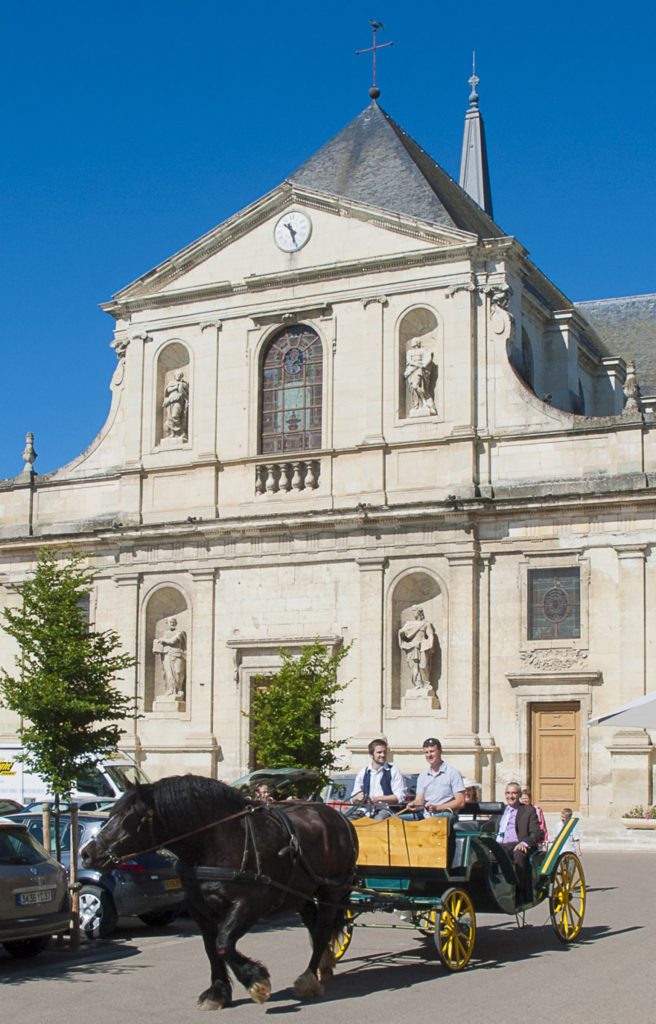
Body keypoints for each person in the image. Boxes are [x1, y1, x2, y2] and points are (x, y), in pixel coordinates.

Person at [496, 782, 541, 899]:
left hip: (518, 844)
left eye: (514, 793)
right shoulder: (500, 811)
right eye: (508, 793)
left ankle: (520, 891)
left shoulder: (528, 811)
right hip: (499, 844)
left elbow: (537, 833)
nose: (510, 796)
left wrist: (524, 843)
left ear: (519, 794)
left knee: (518, 854)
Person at [403, 738, 465, 819]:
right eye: (426, 752)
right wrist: (414, 804)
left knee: (433, 821)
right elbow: (419, 800)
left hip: (445, 815)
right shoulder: (423, 776)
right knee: (396, 820)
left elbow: (460, 802)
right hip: (426, 816)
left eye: (432, 751)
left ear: (440, 751)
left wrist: (437, 808)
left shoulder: (453, 773)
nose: (429, 755)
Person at [350, 738, 406, 819]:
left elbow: (400, 797)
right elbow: (353, 799)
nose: (383, 755)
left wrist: (378, 799)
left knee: (378, 821)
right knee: (347, 820)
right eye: (379, 752)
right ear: (371, 755)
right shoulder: (363, 772)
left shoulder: (394, 771)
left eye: (384, 752)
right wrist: (358, 798)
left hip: (386, 810)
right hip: (365, 811)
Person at [398, 606, 438, 690]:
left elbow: (430, 635)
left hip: (422, 646)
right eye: (412, 611)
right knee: (414, 667)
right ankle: (418, 684)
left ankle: (426, 683)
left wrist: (430, 645)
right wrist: (401, 633)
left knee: (423, 666)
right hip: (412, 647)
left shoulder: (426, 624)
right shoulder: (408, 624)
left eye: (414, 610)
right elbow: (403, 635)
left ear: (420, 612)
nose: (413, 612)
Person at [153, 617, 187, 698]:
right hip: (167, 655)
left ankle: (179, 690)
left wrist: (162, 640)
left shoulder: (180, 632)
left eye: (173, 622)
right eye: (170, 622)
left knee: (178, 672)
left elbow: (172, 641)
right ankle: (170, 690)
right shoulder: (165, 633)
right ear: (167, 624)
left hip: (177, 654)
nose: (172, 623)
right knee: (169, 674)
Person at [404, 338, 437, 416]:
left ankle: (425, 402)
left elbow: (428, 358)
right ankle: (417, 405)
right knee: (412, 388)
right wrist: (417, 364)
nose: (414, 343)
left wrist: (423, 364)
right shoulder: (410, 352)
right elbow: (409, 361)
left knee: (415, 386)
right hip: (411, 370)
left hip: (419, 369)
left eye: (415, 342)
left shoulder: (423, 350)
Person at [162, 370, 189, 439]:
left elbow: (185, 392)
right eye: (177, 375)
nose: (178, 376)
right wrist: (176, 386)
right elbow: (167, 390)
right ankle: (172, 433)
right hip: (170, 401)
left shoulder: (184, 384)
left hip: (179, 400)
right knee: (169, 418)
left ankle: (181, 432)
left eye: (180, 375)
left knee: (175, 415)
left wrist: (179, 387)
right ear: (174, 376)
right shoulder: (171, 383)